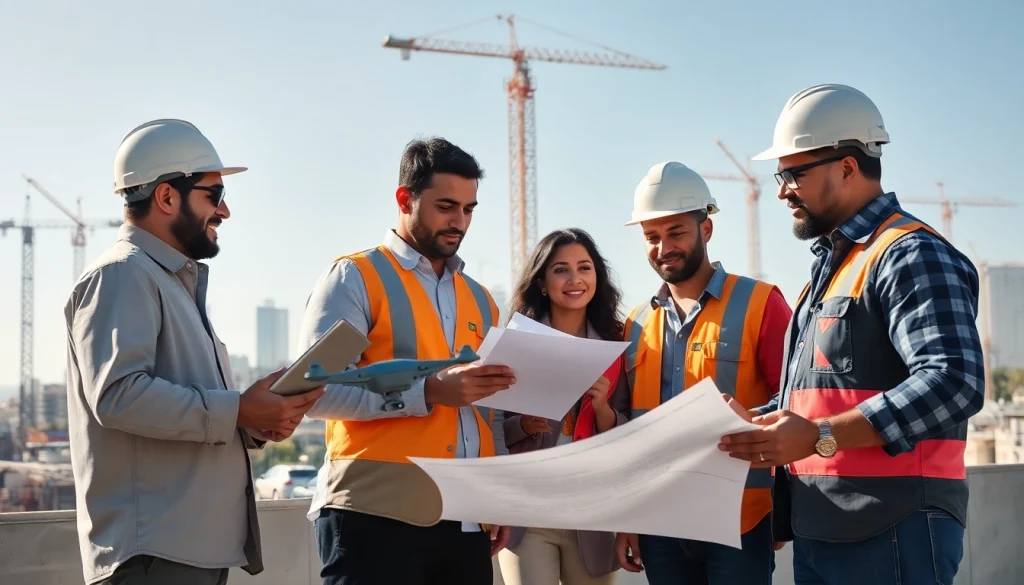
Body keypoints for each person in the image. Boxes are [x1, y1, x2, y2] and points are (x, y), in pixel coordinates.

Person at [718, 83, 985, 585]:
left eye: (793, 174)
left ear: (847, 166)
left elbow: (955, 381)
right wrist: (757, 423)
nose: (781, 191)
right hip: (824, 527)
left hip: (893, 528)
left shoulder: (910, 254)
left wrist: (819, 436)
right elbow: (820, 397)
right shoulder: (833, 268)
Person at [64, 119, 325, 585]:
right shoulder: (122, 275)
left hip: (185, 553)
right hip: (154, 557)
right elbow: (119, 396)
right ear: (166, 197)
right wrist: (239, 408)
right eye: (214, 194)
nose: (225, 211)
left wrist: (253, 422)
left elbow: (184, 412)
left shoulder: (168, 283)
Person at [298, 137, 516, 585]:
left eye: (470, 209)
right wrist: (428, 393)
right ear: (405, 198)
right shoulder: (356, 277)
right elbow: (313, 391)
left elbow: (485, 412)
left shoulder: (481, 301)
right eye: (446, 206)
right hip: (373, 517)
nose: (460, 222)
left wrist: (497, 494)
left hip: (466, 523)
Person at [613, 161, 793, 585]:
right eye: (651, 237)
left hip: (740, 519)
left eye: (675, 232)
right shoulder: (636, 324)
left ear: (705, 230)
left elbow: (794, 402)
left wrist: (782, 511)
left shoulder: (761, 303)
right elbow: (630, 430)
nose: (663, 248)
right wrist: (629, 517)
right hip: (660, 519)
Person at [495, 227, 630, 585]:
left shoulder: (619, 343)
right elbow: (487, 426)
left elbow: (631, 432)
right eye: (561, 269)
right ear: (542, 281)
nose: (575, 279)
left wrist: (603, 408)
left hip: (592, 513)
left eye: (584, 268)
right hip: (527, 513)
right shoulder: (516, 342)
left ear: (597, 277)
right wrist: (522, 425)